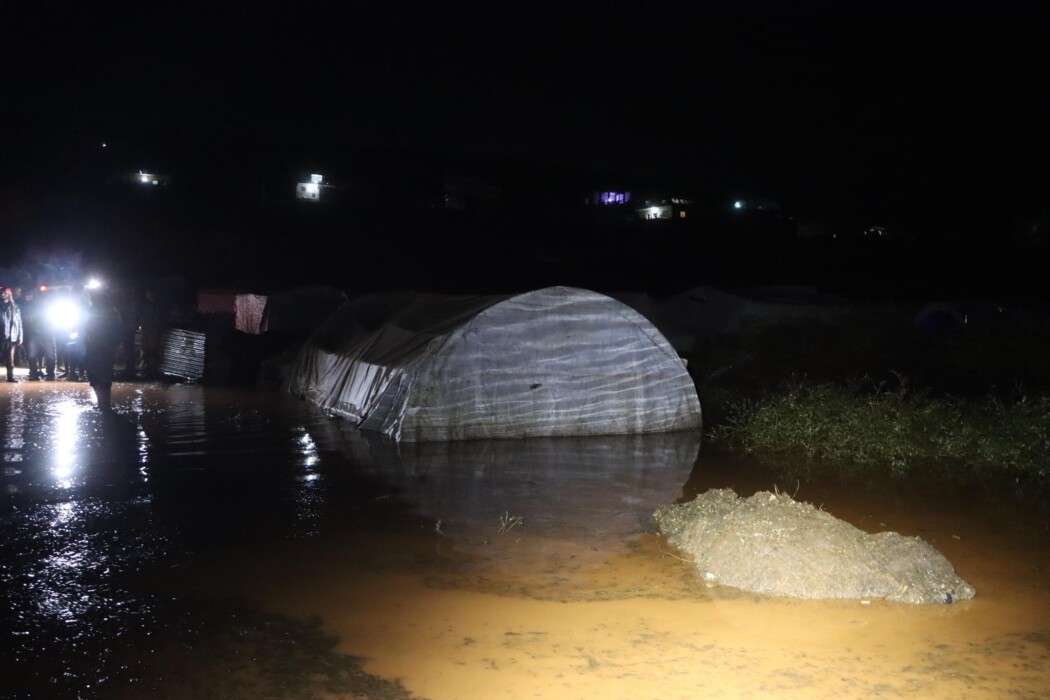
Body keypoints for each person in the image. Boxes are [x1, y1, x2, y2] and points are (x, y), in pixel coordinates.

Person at [82, 286, 123, 412]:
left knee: (100, 376)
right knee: (99, 376)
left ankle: (104, 405)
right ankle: (103, 404)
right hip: (100, 348)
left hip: (101, 348)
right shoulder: (106, 311)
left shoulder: (106, 311)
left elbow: (115, 331)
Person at [21, 288, 56, 381]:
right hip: (35, 333)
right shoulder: (31, 306)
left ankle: (49, 374)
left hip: (46, 333)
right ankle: (34, 373)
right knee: (33, 355)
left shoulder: (48, 306)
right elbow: (27, 319)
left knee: (50, 355)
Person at [1, 287, 24, 382]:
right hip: (1, 336)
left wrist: (20, 336)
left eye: (5, 293)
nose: (3, 294)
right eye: (1, 293)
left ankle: (10, 377)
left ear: (9, 294)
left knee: (10, 360)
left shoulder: (15, 307)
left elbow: (19, 322)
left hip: (11, 337)